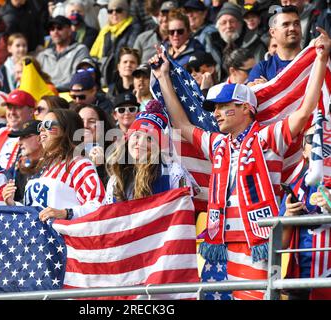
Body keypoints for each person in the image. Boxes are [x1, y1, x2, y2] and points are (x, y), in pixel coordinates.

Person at [150, 27, 330, 299]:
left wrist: (320, 58)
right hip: (221, 241)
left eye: (225, 106)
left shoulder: (268, 137)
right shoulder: (219, 144)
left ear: (247, 108)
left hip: (258, 241)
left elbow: (304, 111)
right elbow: (183, 125)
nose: (218, 114)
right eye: (216, 109)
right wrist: (163, 76)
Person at [5, 109, 105, 222]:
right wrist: (13, 204)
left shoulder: (79, 164)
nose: (42, 129)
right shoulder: (43, 168)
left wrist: (66, 213)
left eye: (47, 125)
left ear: (66, 129)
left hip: (65, 237)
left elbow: (98, 206)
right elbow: (36, 212)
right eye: (40, 126)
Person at [105, 99, 197, 203]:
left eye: (150, 139)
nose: (141, 143)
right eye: (137, 136)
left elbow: (184, 211)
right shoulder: (115, 180)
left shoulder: (173, 173)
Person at [280, 126, 320, 300]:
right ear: (304, 152)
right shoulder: (294, 190)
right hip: (300, 281)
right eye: (312, 139)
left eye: (324, 137)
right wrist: (288, 217)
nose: (319, 143)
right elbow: (280, 244)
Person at [204, 2, 266, 82]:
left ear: (240, 23)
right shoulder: (213, 45)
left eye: (232, 21)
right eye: (224, 23)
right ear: (218, 27)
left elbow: (260, 72)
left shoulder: (255, 43)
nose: (228, 26)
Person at [90, 0, 141, 87]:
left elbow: (130, 53)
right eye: (110, 11)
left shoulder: (133, 29)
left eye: (118, 10)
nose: (114, 13)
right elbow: (94, 56)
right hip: (105, 77)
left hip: (123, 78)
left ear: (126, 12)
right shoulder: (105, 31)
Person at [248, 5, 302, 85]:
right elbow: (253, 94)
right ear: (273, 32)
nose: (292, 28)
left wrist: (268, 88)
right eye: (285, 24)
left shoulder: (314, 60)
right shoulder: (262, 68)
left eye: (296, 24)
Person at [36, 15, 90, 91]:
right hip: (45, 95)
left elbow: (78, 78)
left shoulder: (80, 50)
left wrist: (53, 88)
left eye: (59, 28)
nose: (55, 32)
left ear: (69, 30)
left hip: (69, 94)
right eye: (52, 29)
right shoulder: (43, 55)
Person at [0, 89, 35, 170]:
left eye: (17, 107)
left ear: (31, 112)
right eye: (9, 107)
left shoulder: (37, 136)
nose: (12, 112)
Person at [73, 103, 115, 185]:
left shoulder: (115, 154)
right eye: (80, 121)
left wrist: (99, 167)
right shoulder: (66, 155)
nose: (85, 125)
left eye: (92, 121)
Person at [3, 119, 43, 203]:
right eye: (19, 138)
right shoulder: (20, 162)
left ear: (40, 138)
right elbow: (5, 178)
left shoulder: (52, 164)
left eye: (25, 137)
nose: (19, 142)